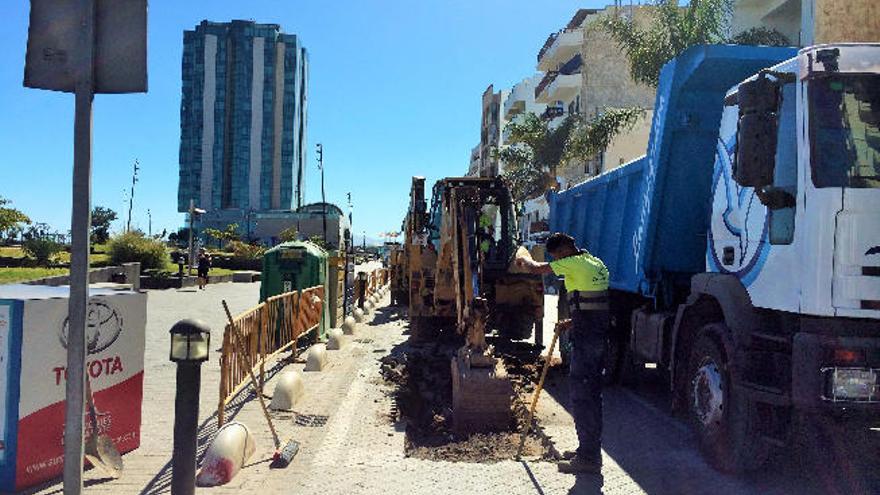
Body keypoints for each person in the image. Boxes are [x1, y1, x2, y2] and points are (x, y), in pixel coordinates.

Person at [516, 232, 609, 475]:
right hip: (596, 335)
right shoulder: (595, 262)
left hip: (587, 341)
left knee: (582, 397)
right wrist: (572, 322)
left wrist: (522, 255)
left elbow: (536, 268)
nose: (556, 261)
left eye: (556, 256)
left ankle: (589, 458)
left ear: (564, 250)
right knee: (591, 396)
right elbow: (593, 303)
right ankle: (587, 450)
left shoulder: (573, 262)